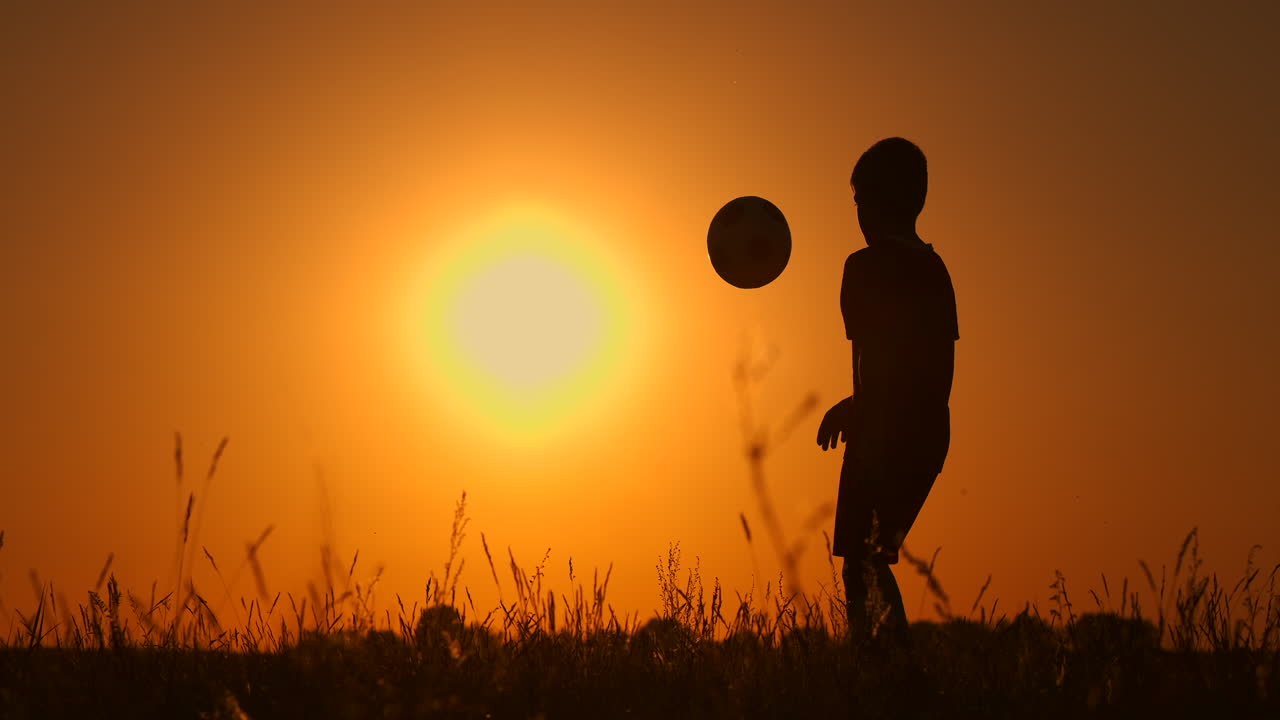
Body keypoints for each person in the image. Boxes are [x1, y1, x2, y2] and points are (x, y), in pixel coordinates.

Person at [816, 137, 958, 649]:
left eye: (860, 201)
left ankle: (889, 679)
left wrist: (864, 409)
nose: (857, 214)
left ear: (882, 202)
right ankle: (886, 676)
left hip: (887, 433)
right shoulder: (934, 269)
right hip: (926, 431)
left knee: (863, 562)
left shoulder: (865, 267)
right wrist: (862, 406)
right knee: (868, 560)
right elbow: (937, 365)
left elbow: (874, 360)